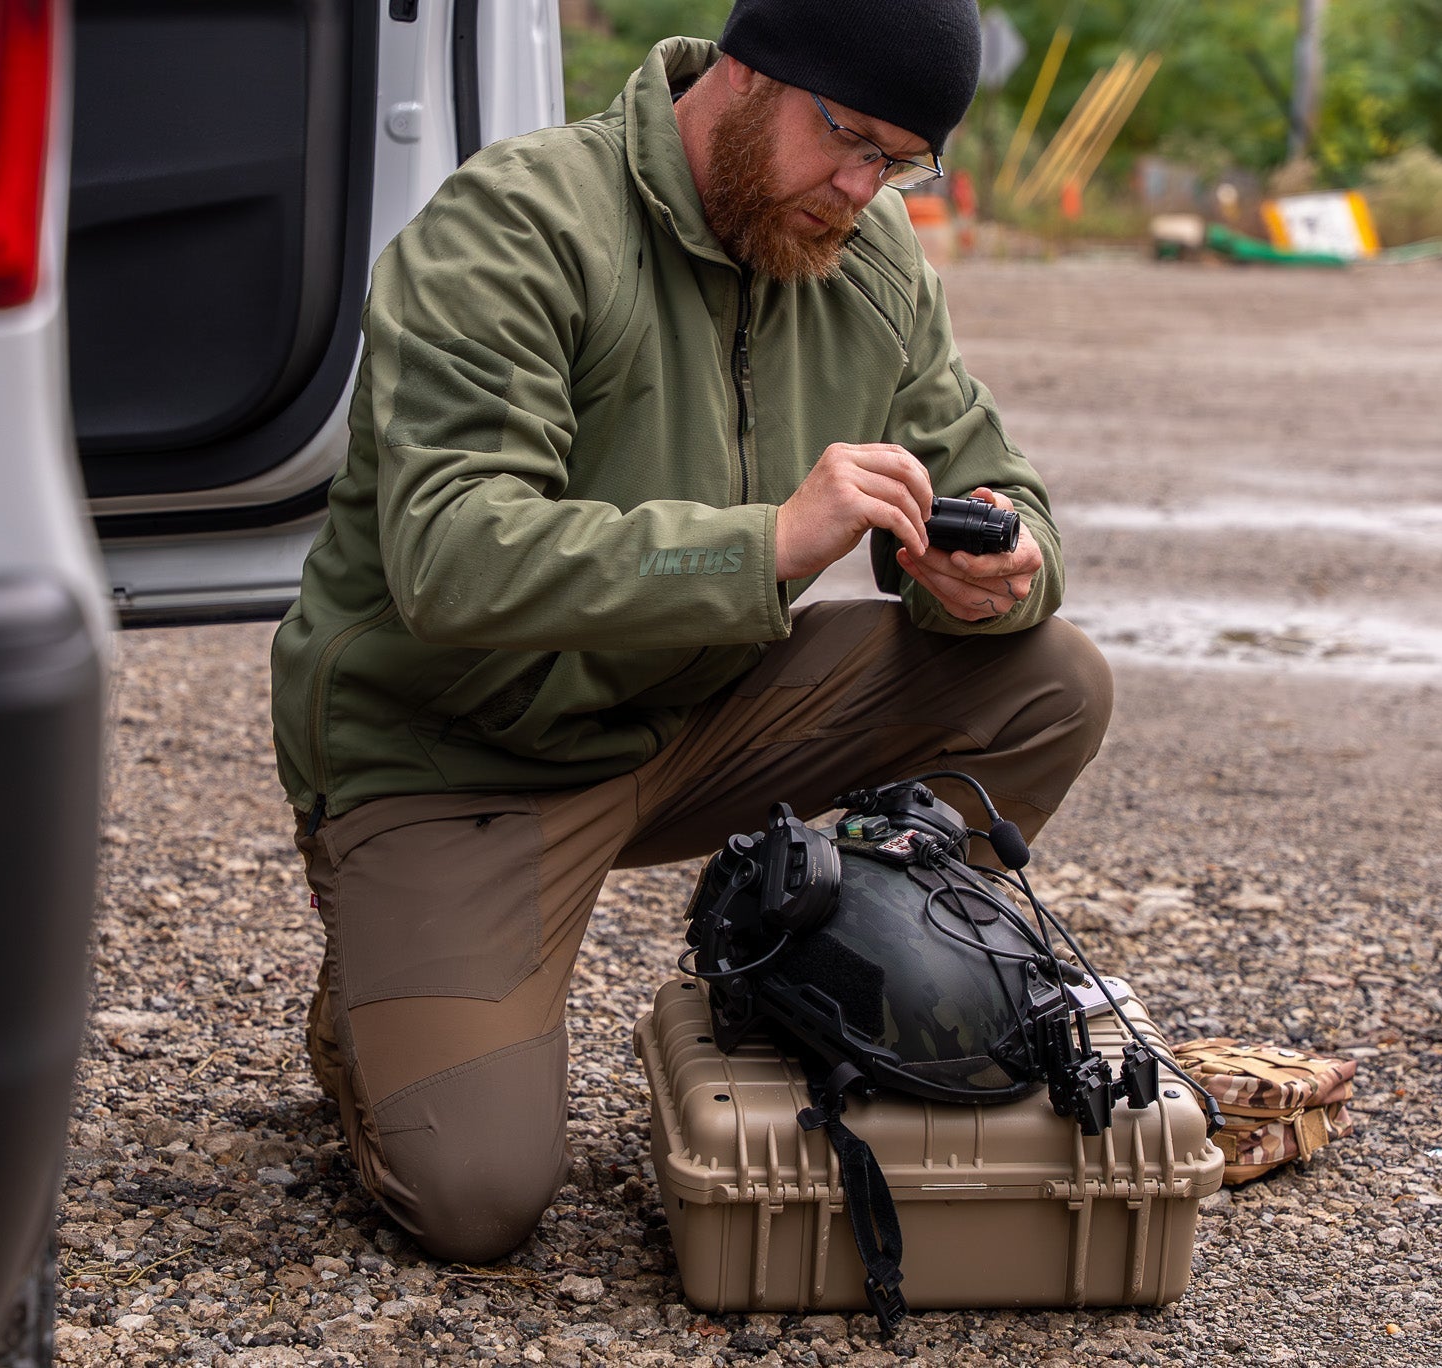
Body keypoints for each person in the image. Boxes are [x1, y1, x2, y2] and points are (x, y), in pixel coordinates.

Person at [269, 0, 1113, 1264]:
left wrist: (1001, 566)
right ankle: (369, 1017)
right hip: (458, 756)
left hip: (696, 719)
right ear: (749, 73)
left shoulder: (864, 258)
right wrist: (765, 543)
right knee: (476, 1198)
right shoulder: (519, 222)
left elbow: (993, 477)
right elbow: (450, 556)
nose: (859, 187)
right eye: (845, 138)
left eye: (896, 162)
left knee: (1046, 680)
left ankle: (834, 985)